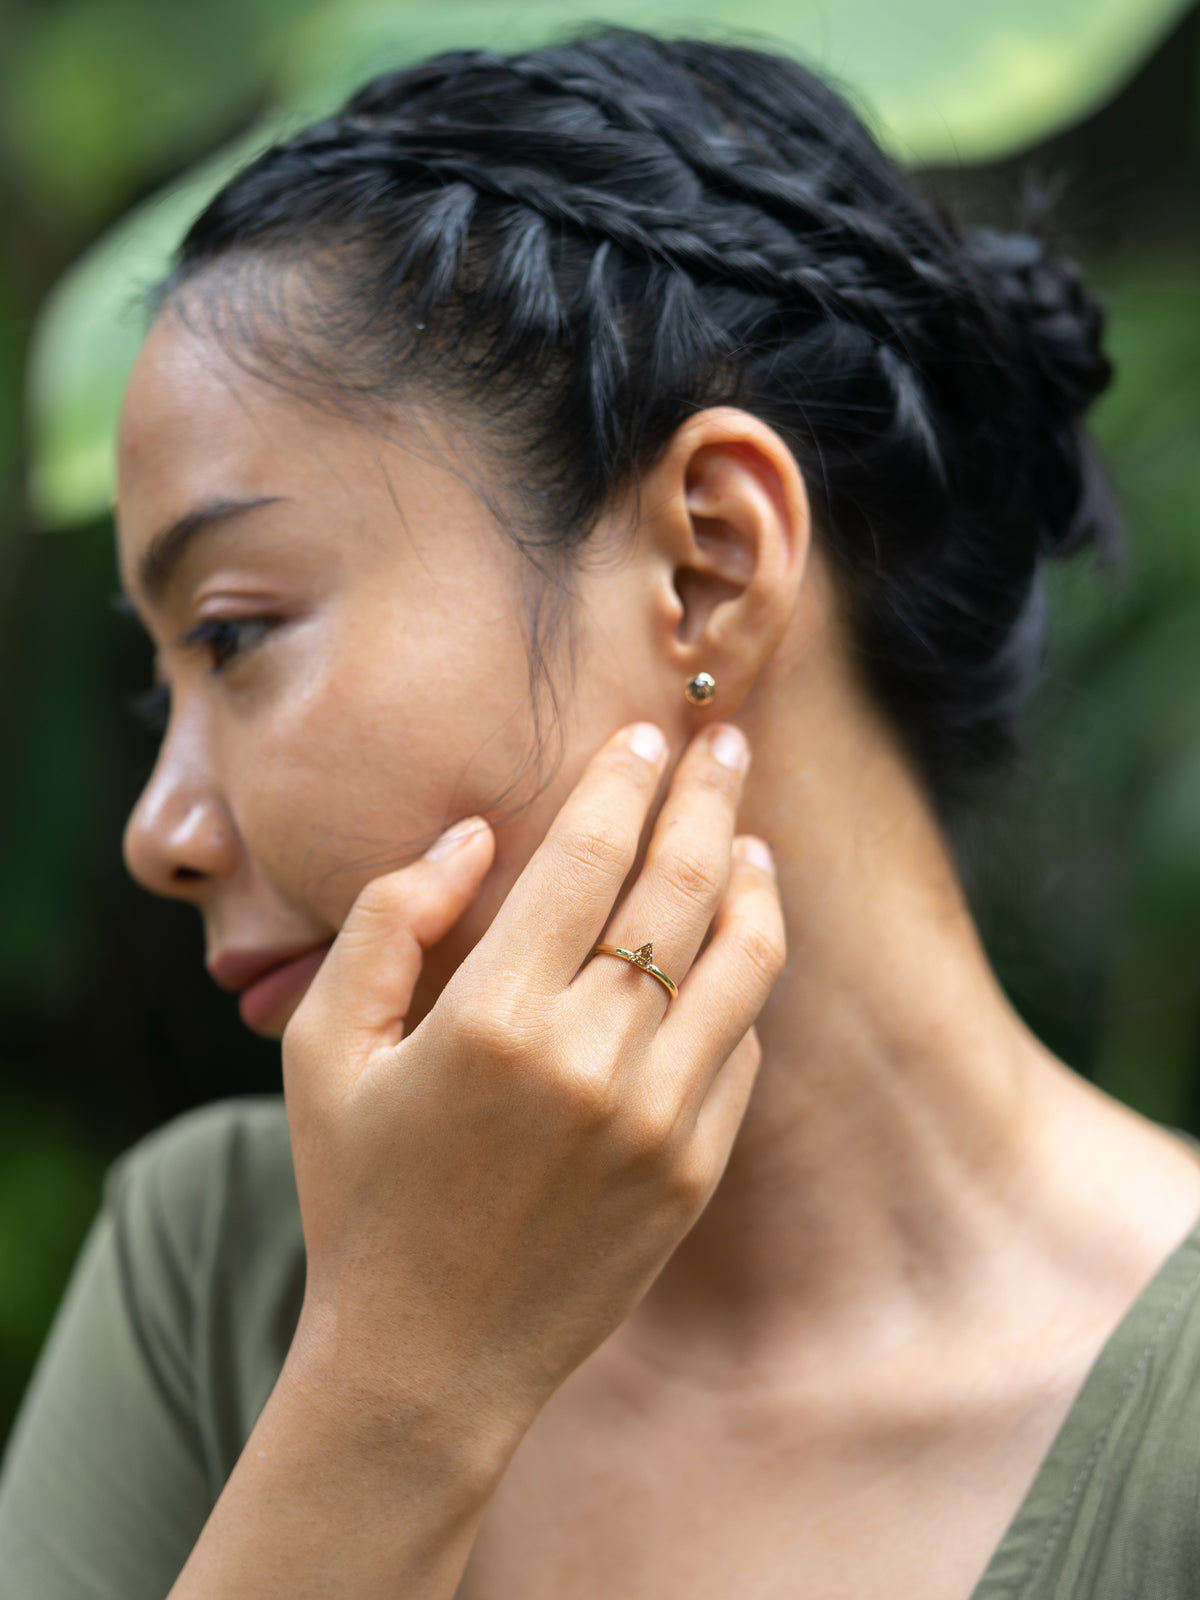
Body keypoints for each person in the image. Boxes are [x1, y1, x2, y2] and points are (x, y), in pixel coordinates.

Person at [4, 27, 1200, 1600]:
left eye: (234, 635)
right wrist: (399, 1388)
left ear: (708, 560)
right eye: (167, 687)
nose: (160, 831)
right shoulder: (222, 1273)